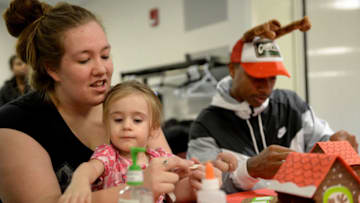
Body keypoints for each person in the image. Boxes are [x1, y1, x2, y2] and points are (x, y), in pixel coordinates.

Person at [0, 1, 196, 202]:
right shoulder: (16, 124)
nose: (101, 69)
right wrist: (138, 189)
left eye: (105, 55)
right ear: (52, 69)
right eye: (84, 60)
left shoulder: (130, 103)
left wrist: (198, 182)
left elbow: (169, 188)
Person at [187, 36, 358, 193]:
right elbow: (202, 185)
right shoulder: (206, 125)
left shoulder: (292, 105)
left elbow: (321, 142)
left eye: (272, 78)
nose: (266, 88)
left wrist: (335, 145)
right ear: (232, 70)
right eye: (257, 78)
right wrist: (247, 170)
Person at [59, 80, 223, 203]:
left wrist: (199, 179)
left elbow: (175, 193)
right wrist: (79, 183)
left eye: (137, 120)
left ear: (153, 128)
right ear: (106, 124)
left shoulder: (159, 158)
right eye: (118, 120)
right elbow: (88, 169)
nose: (127, 126)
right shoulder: (108, 155)